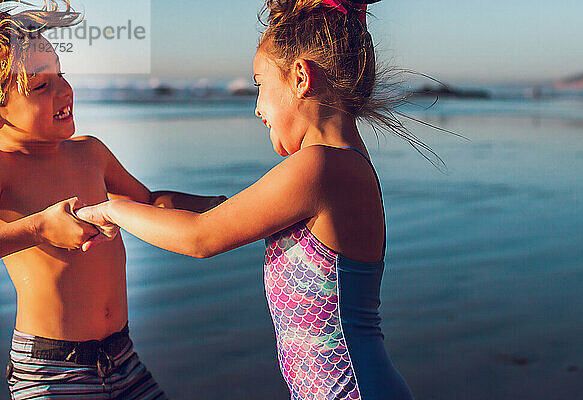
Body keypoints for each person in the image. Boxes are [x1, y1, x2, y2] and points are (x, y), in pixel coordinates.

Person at [77, 0, 417, 398]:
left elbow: (201, 237)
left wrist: (111, 211)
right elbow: (221, 212)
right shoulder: (338, 166)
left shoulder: (322, 166)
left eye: (260, 84)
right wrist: (144, 200)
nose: (257, 108)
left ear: (300, 78)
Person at [0, 2, 224, 399]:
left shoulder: (90, 152)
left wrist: (225, 206)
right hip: (52, 371)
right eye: (40, 85)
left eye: (60, 73)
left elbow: (149, 201)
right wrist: (38, 227)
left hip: (124, 358)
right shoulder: (5, 168)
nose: (63, 89)